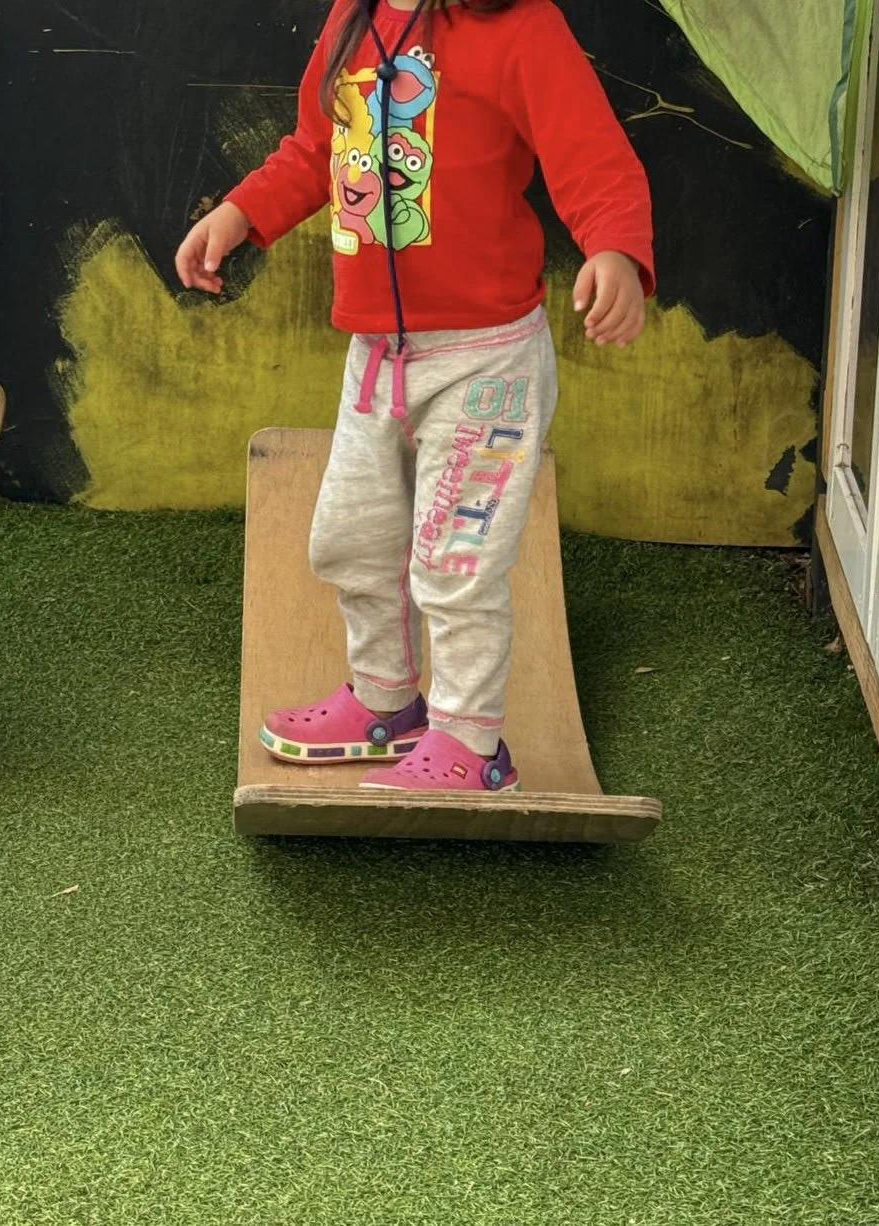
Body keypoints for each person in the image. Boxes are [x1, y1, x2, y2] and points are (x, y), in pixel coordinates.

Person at [176, 0, 654, 792]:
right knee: (351, 538)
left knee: (454, 562)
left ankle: (472, 743)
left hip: (485, 361)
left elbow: (591, 154)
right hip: (377, 353)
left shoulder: (522, 28)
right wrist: (240, 212)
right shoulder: (351, 21)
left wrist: (615, 250)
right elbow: (318, 147)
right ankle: (385, 705)